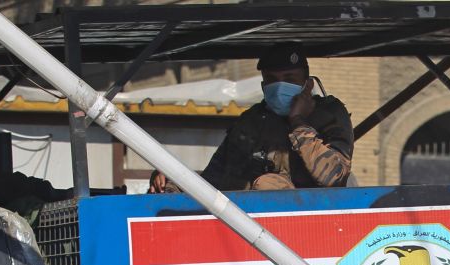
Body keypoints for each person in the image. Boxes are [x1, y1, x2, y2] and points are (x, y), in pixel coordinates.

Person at [149, 42, 353, 193]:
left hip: (302, 225)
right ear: (264, 87)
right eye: (272, 80)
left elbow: (333, 178)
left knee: (269, 185)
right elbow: (213, 179)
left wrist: (298, 121)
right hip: (241, 225)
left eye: (289, 79)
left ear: (307, 84)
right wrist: (175, 181)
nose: (280, 86)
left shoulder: (329, 115)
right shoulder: (251, 121)